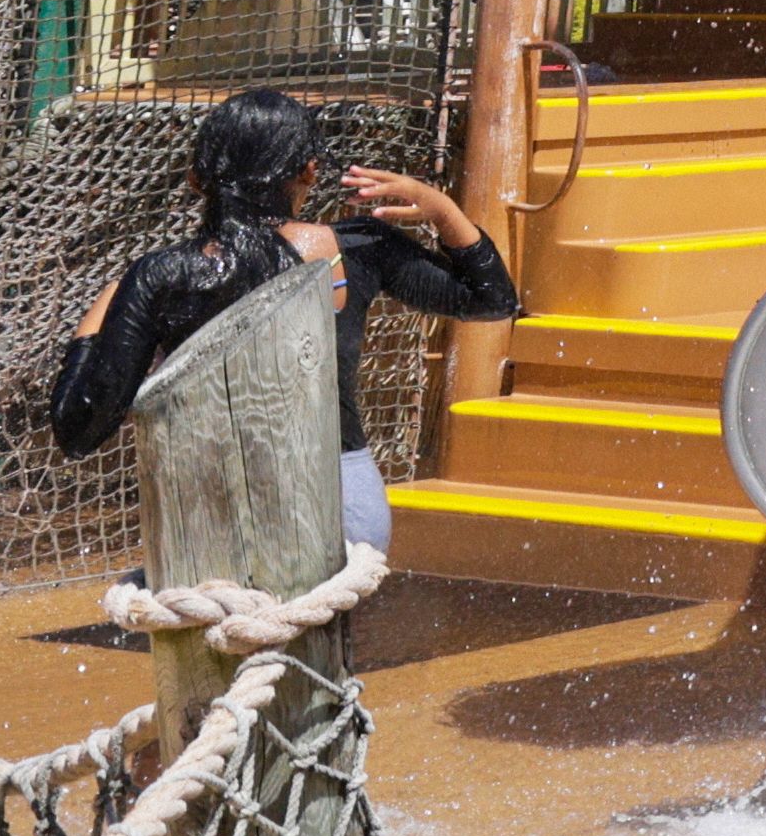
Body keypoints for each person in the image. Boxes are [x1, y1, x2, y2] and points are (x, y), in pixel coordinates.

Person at [49, 87, 520, 553]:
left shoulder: (165, 275)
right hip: (342, 505)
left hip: (219, 511)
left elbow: (79, 429)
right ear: (309, 172)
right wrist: (440, 207)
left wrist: (108, 304)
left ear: (196, 179)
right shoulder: (359, 250)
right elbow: (492, 300)